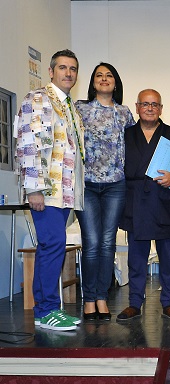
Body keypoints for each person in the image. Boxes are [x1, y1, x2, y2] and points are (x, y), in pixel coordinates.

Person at [15, 49, 84, 331]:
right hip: (46, 189)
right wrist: (34, 189)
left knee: (53, 247)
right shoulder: (38, 99)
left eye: (73, 69)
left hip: (64, 191)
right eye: (63, 68)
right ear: (51, 72)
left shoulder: (69, 107)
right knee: (52, 245)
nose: (68, 73)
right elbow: (28, 144)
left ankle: (47, 310)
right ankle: (46, 311)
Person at [117, 89, 170, 323]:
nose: (150, 108)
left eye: (155, 104)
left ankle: (169, 302)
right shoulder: (126, 134)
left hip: (164, 200)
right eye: (145, 104)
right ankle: (134, 303)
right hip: (136, 200)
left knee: (167, 257)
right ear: (137, 107)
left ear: (161, 109)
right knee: (136, 257)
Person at [75, 62, 136, 323]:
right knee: (91, 243)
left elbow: (135, 144)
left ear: (115, 82)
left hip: (115, 185)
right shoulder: (80, 109)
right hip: (87, 185)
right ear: (92, 82)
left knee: (108, 242)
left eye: (109, 75)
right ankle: (89, 299)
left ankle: (102, 297)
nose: (104, 79)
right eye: (99, 75)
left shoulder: (124, 113)